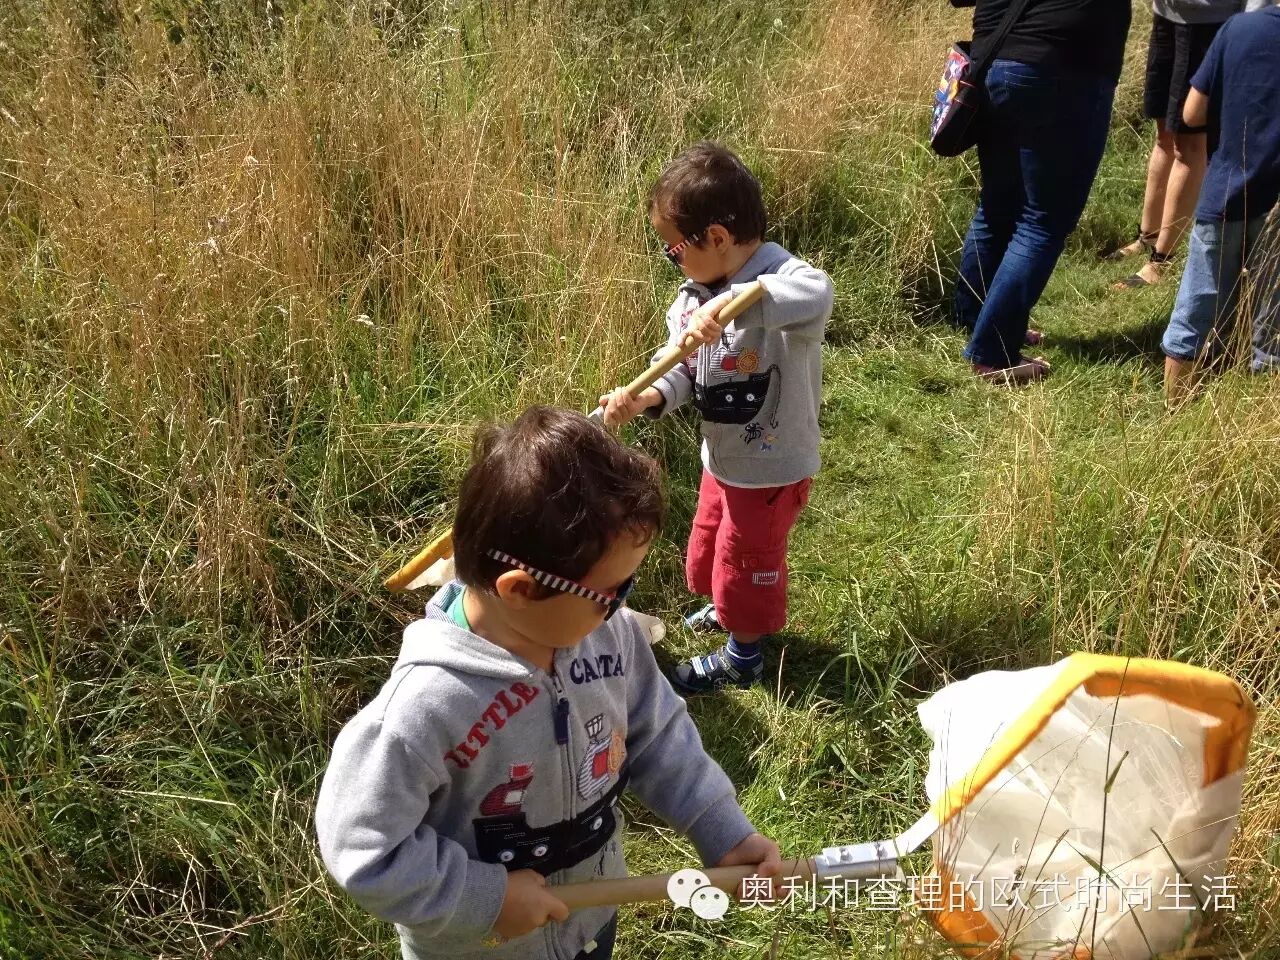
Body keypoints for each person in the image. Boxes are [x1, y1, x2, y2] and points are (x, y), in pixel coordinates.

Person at [315, 407, 782, 960]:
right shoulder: (423, 707)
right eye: (612, 593)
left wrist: (719, 828)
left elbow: (658, 736)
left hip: (590, 920)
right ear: (517, 589)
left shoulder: (612, 639)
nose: (623, 608)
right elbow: (364, 847)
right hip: (484, 948)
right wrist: (483, 898)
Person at [599, 142, 833, 695]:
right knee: (708, 544)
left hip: (771, 465)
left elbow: (816, 293)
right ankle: (729, 607)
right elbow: (679, 371)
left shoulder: (783, 279)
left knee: (747, 557)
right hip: (723, 458)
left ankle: (744, 654)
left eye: (674, 250)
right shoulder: (688, 301)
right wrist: (647, 397)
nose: (672, 261)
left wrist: (733, 306)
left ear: (720, 239)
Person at [950, 0, 1132, 384]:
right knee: (1043, 221)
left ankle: (977, 320)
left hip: (996, 62)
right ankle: (992, 353)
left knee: (997, 204)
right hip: (1065, 65)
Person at [1160, 2, 1280, 404]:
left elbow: (1191, 114)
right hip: (1275, 208)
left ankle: (1174, 415)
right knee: (1271, 327)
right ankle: (1258, 431)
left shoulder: (1236, 29)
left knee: (1195, 311)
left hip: (1224, 193)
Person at [1104, 0, 1267, 290]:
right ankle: (1148, 236)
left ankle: (1160, 260)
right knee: (1165, 135)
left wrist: (1247, 27)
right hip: (1166, 14)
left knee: (1188, 144)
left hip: (1212, 23)